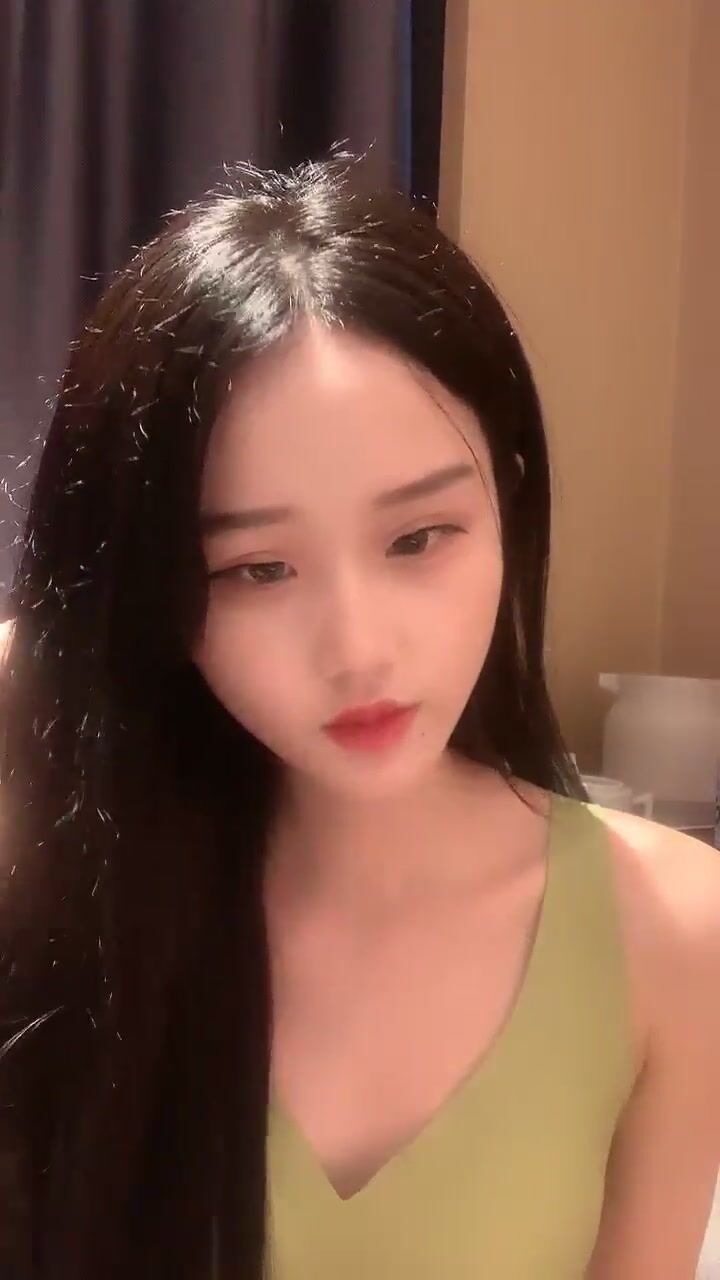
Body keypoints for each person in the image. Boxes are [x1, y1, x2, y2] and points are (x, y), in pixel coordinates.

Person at [0, 157, 718, 1280]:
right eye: (258, 568)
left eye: (418, 538)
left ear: (508, 500)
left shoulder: (675, 930)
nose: (359, 649)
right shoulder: (65, 900)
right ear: (154, 596)